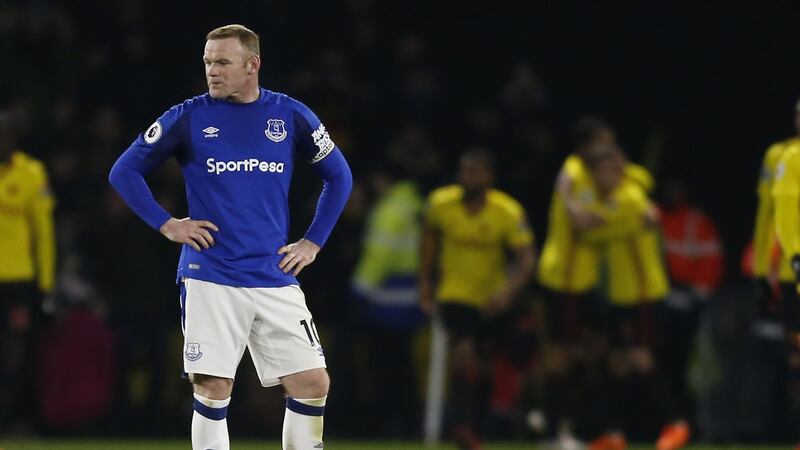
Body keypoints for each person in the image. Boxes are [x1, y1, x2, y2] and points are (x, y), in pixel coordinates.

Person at [108, 24, 352, 450]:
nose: (212, 72)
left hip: (272, 273)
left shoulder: (290, 115)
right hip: (211, 273)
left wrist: (313, 241)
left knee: (313, 381)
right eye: (207, 62)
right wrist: (168, 224)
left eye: (222, 62)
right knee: (214, 386)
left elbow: (339, 176)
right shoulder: (189, 116)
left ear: (252, 64)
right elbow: (124, 171)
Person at [419, 149, 536, 450]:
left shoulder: (507, 211)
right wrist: (425, 285)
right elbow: (428, 244)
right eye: (463, 170)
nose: (466, 176)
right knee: (464, 352)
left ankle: (475, 428)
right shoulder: (441, 204)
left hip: (492, 299)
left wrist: (509, 292)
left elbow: (526, 258)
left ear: (489, 177)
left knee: (484, 365)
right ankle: (461, 426)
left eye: (474, 171)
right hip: (454, 295)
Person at [575, 145, 688, 450]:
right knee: (617, 365)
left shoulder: (630, 198)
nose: (607, 176)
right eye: (601, 171)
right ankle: (613, 435)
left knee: (641, 359)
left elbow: (595, 234)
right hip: (620, 294)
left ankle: (676, 424)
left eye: (613, 169)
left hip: (644, 293)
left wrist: (589, 225)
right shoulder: (612, 200)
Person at [350, 160, 425, 437]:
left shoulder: (390, 210)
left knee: (385, 369)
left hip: (387, 304)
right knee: (405, 368)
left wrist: (358, 289)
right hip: (411, 298)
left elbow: (379, 256)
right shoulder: (415, 203)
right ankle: (409, 425)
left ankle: (387, 426)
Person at [0, 110, 56, 433]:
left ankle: (10, 420)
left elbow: (43, 233)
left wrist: (45, 284)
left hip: (18, 281)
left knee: (15, 357)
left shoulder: (32, 173)